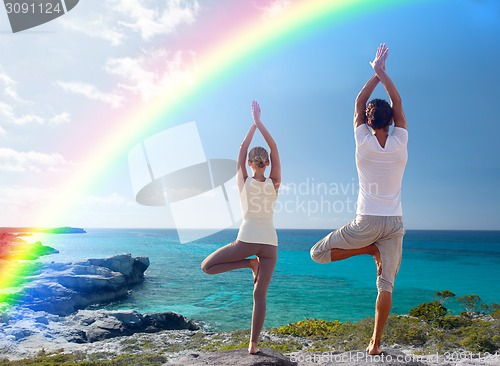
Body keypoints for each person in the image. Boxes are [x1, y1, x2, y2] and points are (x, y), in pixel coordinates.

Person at [310, 43, 408, 355]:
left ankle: (369, 250)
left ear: (367, 121)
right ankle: (375, 345)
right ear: (391, 122)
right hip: (394, 224)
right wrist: (383, 73)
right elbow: (398, 102)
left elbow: (358, 103)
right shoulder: (400, 141)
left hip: (366, 222)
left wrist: (374, 74)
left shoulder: (362, 141)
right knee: (386, 286)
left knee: (317, 254)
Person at [201, 100, 281, 355]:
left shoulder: (243, 181)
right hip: (270, 244)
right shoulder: (275, 182)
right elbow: (275, 147)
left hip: (246, 240)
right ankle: (253, 345)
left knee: (207, 267)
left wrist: (252, 123)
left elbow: (242, 146)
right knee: (259, 296)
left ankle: (248, 264)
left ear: (249, 164)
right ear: (266, 163)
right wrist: (261, 123)